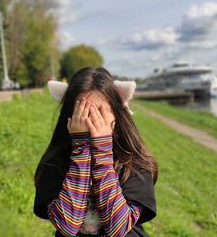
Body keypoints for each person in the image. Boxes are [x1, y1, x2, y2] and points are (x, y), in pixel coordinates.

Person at [33, 67, 158, 237]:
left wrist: (102, 152)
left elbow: (118, 229)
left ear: (117, 115)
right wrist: (81, 149)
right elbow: (67, 227)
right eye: (83, 112)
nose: (91, 122)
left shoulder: (134, 162)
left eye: (100, 113)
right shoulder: (56, 161)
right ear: (69, 118)